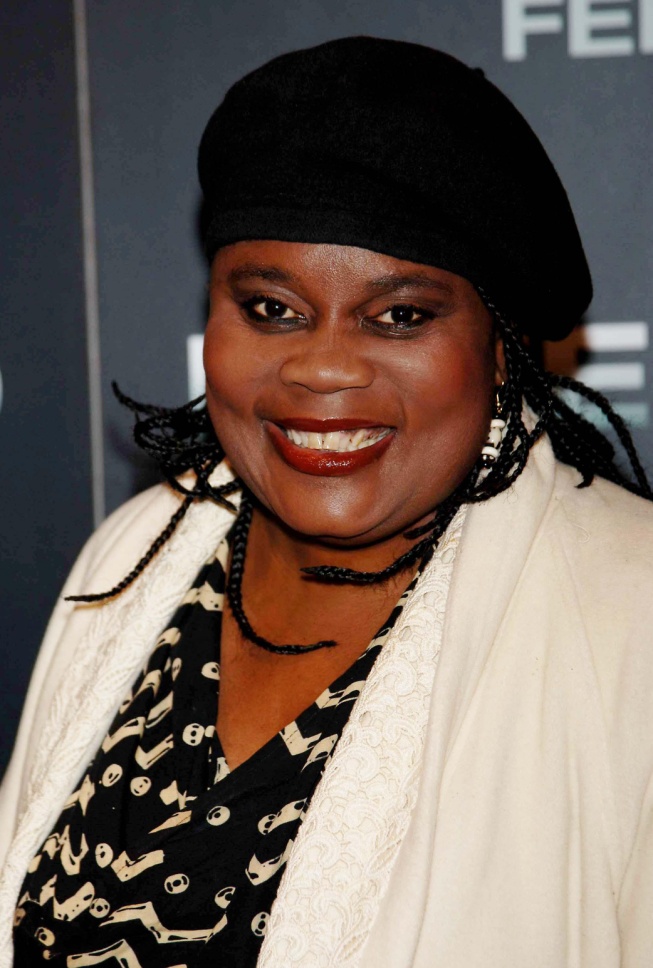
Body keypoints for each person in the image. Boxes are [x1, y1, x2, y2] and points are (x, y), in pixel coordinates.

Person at [1, 35, 653, 968]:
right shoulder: (132, 553)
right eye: (272, 308)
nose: (322, 367)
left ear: (500, 348)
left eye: (399, 316)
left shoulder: (631, 615)